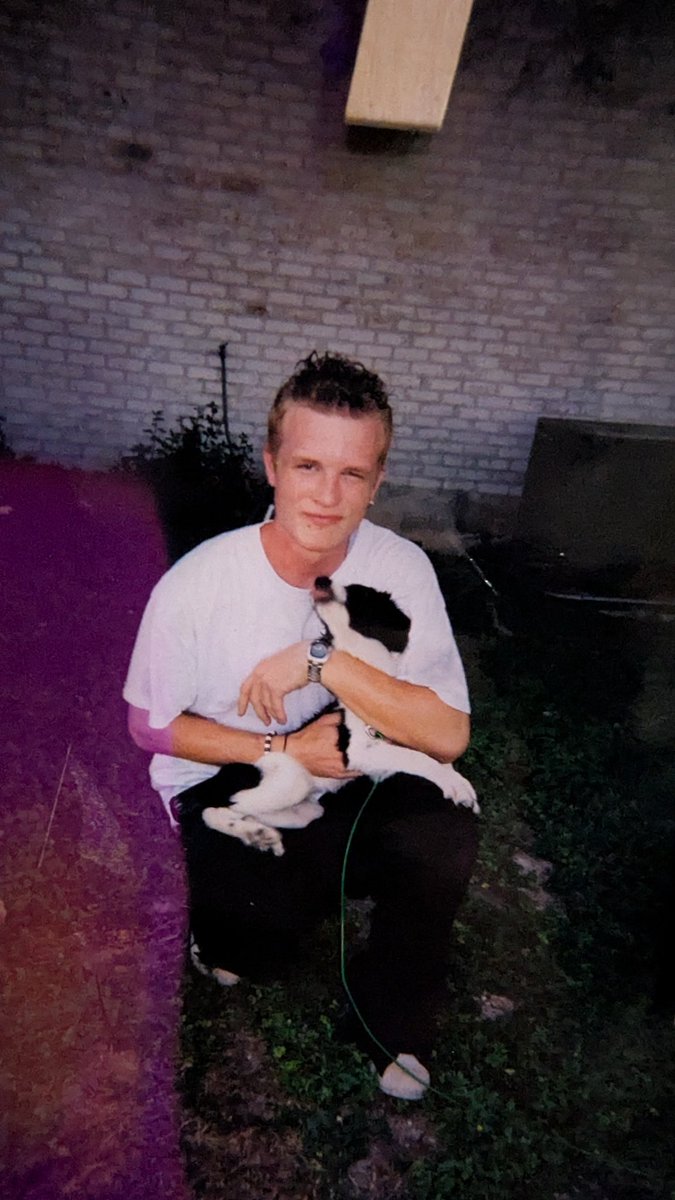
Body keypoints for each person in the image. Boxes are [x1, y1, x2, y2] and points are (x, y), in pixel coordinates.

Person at [124, 351, 479, 1100]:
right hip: (226, 772)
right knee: (255, 938)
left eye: (352, 474)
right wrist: (282, 747)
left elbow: (447, 736)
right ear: (272, 465)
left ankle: (390, 1021)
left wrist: (324, 663)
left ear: (376, 482)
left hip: (346, 754)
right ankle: (232, 923)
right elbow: (149, 727)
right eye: (308, 465)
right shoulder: (198, 584)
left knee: (440, 822)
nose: (327, 494)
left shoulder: (400, 566)